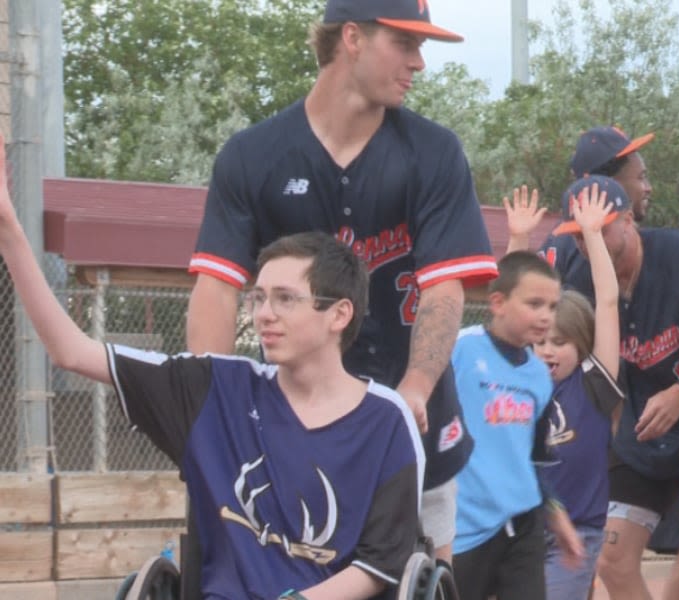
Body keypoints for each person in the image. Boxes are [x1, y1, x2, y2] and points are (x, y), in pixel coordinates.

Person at [0, 141, 424, 598]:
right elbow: (70, 351)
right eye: (258, 297)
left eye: (284, 298)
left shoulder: (386, 420)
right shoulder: (214, 388)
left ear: (339, 314)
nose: (263, 313)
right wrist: (8, 229)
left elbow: (382, 563)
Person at [184, 0, 497, 563]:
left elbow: (445, 289)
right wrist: (211, 409)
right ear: (352, 37)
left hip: (415, 411)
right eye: (405, 43)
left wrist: (417, 389)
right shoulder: (253, 156)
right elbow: (216, 287)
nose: (419, 63)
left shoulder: (433, 152)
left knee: (424, 573)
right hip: (294, 421)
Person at [543, 173, 679, 599]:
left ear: (627, 220)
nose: (587, 245)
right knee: (611, 561)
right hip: (643, 438)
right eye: (579, 236)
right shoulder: (584, 282)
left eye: (598, 230)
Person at [504, 179, 625, 599]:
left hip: (578, 533)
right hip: (517, 529)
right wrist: (519, 238)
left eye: (560, 342)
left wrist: (592, 234)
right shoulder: (516, 378)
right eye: (540, 342)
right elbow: (511, 306)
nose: (548, 351)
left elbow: (607, 302)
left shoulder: (593, 383)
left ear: (582, 344)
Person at [448, 250, 585, 600]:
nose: (545, 317)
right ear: (498, 303)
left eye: (552, 307)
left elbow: (534, 459)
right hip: (464, 525)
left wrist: (557, 517)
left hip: (523, 523)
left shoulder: (539, 374)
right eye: (534, 304)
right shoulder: (460, 350)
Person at [540, 125, 655, 298]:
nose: (648, 188)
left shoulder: (565, 236)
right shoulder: (595, 246)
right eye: (640, 177)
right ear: (610, 184)